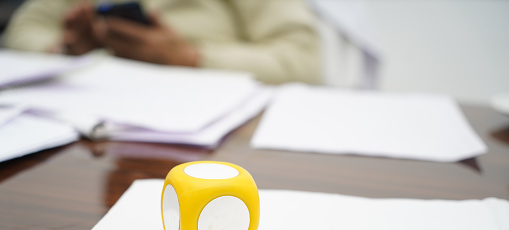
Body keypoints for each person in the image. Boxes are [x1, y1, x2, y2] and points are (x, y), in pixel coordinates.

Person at [2, 0, 321, 84]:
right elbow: (22, 29)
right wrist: (65, 49)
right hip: (98, 126)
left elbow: (305, 62)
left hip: (210, 118)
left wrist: (192, 58)